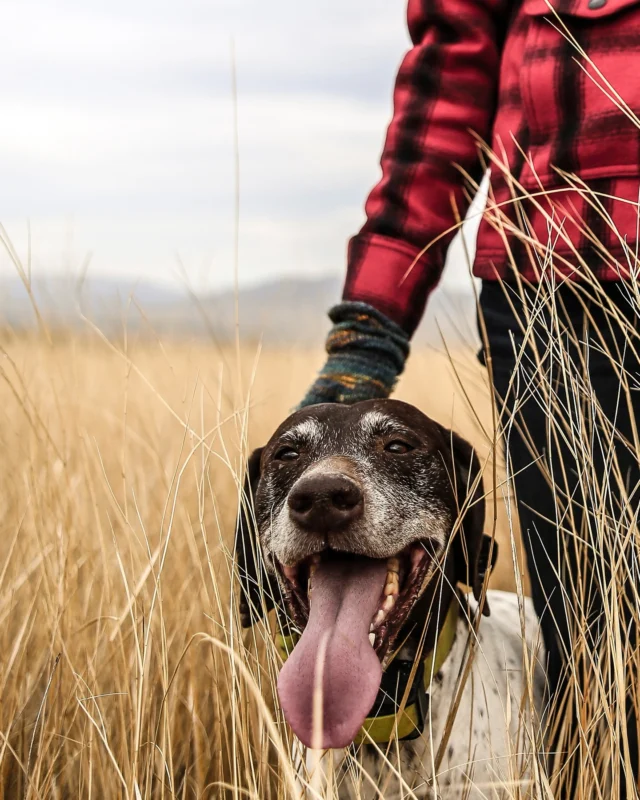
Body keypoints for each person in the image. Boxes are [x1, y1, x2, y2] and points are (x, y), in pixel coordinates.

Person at [297, 0, 640, 795]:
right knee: (601, 673)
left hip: (558, 277)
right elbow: (450, 79)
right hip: (565, 287)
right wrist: (369, 331)